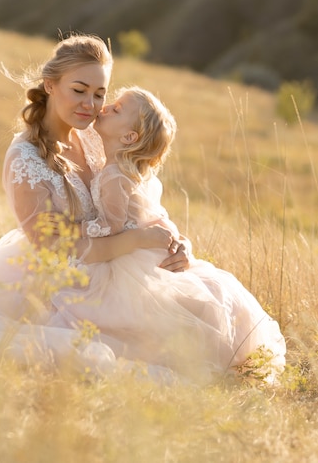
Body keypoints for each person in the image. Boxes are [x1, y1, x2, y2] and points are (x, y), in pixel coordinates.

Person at [0, 33, 189, 380]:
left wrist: (173, 243)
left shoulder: (97, 136)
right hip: (53, 287)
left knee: (196, 323)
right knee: (129, 356)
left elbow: (135, 203)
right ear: (51, 84)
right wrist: (137, 242)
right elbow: (53, 251)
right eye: (79, 90)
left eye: (100, 94)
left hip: (113, 276)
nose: (91, 104)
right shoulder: (26, 158)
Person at [48, 86, 286, 383]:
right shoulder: (128, 168)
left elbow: (111, 226)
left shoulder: (113, 175)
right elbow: (153, 215)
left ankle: (202, 357)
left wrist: (75, 228)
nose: (105, 107)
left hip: (131, 256)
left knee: (139, 313)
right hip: (145, 249)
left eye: (117, 109)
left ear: (129, 137)